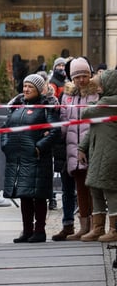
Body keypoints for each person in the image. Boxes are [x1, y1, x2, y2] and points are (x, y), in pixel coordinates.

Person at [1, 74, 60, 243]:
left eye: (30, 87)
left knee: (38, 195)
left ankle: (39, 230)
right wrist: (6, 146)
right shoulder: (16, 106)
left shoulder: (46, 107)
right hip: (18, 158)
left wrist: (38, 147)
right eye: (25, 86)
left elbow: (55, 131)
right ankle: (27, 231)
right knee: (23, 193)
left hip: (37, 158)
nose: (26, 89)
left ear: (39, 90)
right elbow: (5, 129)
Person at [54, 57, 99, 241]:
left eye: (85, 75)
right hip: (72, 149)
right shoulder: (67, 95)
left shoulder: (97, 93)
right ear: (72, 78)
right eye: (78, 76)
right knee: (80, 189)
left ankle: (97, 227)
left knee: (95, 190)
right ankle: (84, 227)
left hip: (92, 147)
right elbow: (65, 121)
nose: (81, 79)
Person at [79, 70, 117, 242]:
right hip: (98, 152)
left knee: (110, 189)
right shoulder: (103, 103)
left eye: (101, 83)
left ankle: (115, 229)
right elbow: (92, 127)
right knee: (95, 188)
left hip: (110, 153)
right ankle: (98, 227)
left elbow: (86, 114)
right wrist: (82, 147)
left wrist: (94, 101)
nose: (98, 87)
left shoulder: (111, 102)